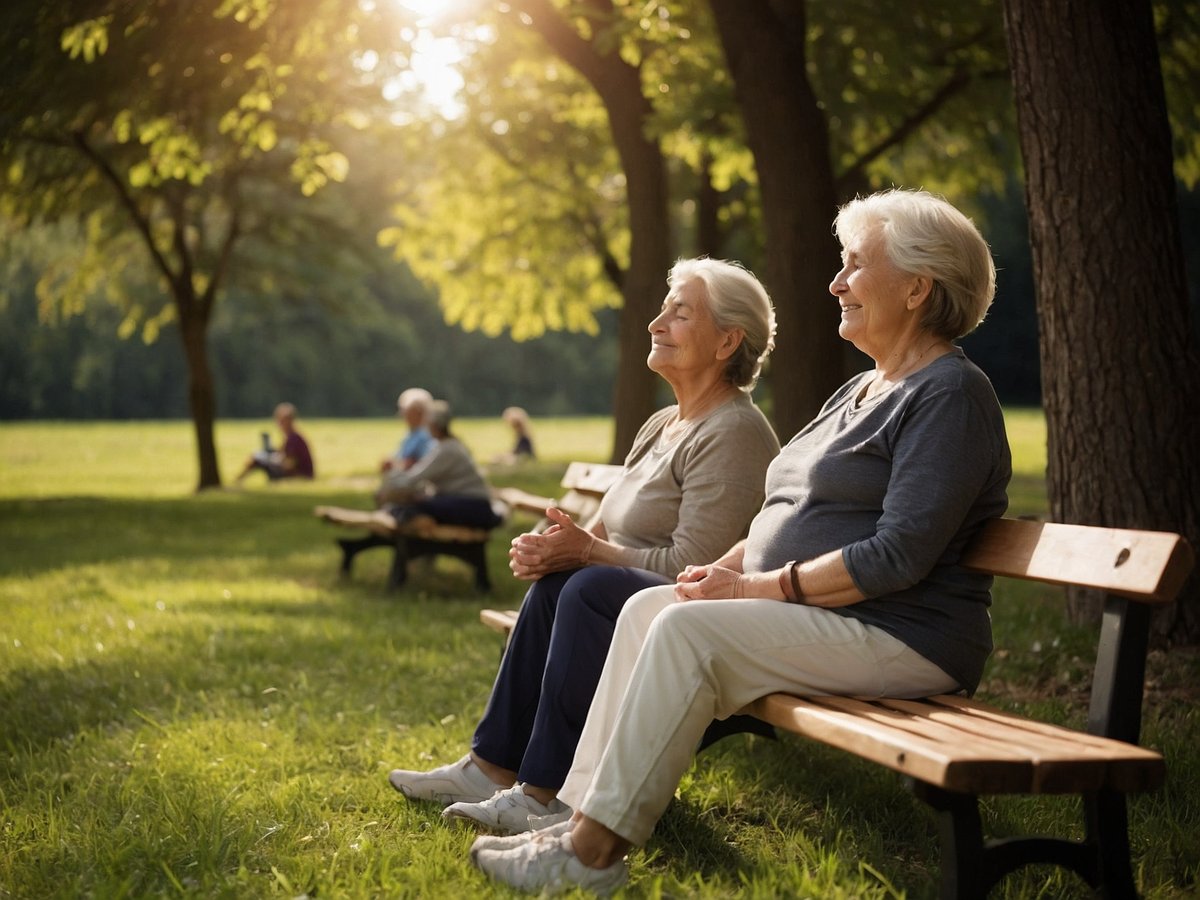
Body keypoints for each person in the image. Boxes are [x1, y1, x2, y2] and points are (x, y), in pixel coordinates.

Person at [469, 189, 1014, 895]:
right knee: (650, 610)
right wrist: (717, 571)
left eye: (854, 265)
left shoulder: (948, 395)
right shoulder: (858, 392)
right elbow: (778, 514)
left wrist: (752, 588)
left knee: (690, 634)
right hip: (831, 618)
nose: (835, 282)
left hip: (903, 633)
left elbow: (896, 557)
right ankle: (573, 815)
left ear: (916, 287)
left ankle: (592, 855)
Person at [387, 257, 782, 834]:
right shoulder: (661, 423)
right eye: (662, 310)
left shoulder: (736, 431)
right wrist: (556, 546)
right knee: (566, 581)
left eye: (679, 313)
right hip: (614, 594)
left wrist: (588, 555)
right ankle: (489, 767)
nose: (656, 323)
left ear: (728, 341)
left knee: (590, 586)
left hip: (689, 611)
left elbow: (691, 569)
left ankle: (545, 793)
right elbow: (600, 527)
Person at [374, 400, 502, 530]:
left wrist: (390, 478)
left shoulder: (447, 450)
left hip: (475, 508)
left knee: (416, 506)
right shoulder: (449, 446)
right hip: (475, 505)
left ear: (433, 425)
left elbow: (413, 479)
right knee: (419, 503)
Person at [235, 402, 314, 483]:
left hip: (298, 475)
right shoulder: (292, 437)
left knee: (257, 459)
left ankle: (237, 481)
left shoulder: (294, 438)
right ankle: (238, 481)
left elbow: (290, 464)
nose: (280, 424)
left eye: (283, 421)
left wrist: (271, 460)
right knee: (259, 456)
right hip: (295, 473)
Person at [383, 387, 435, 473]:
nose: (404, 416)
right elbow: (399, 457)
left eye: (408, 412)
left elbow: (425, 462)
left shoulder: (425, 435)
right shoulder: (410, 434)